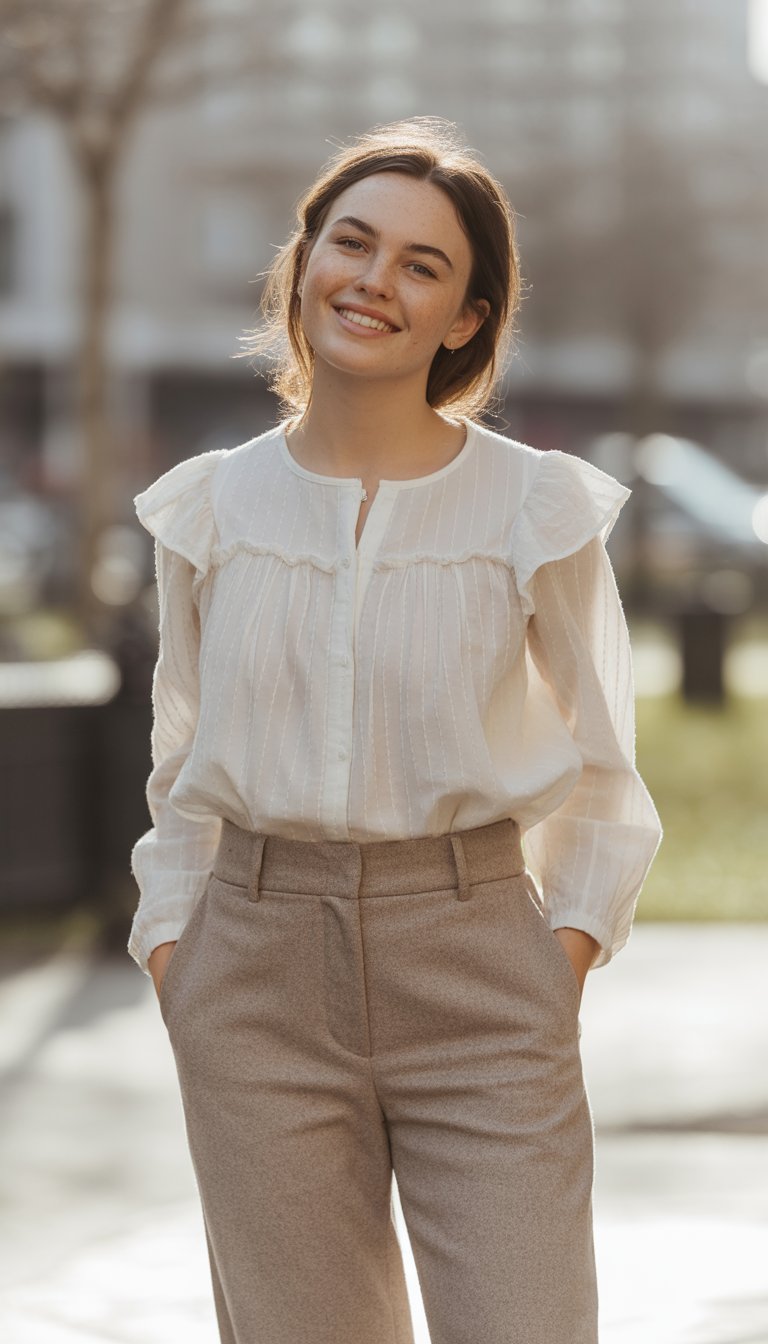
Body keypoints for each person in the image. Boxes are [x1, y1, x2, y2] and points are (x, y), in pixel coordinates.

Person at [128, 116, 662, 1344]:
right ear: (303, 261)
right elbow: (181, 767)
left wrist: (557, 960)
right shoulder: (210, 506)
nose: (373, 280)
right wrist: (180, 958)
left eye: (423, 264)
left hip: (478, 968)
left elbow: (603, 773)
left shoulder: (535, 506)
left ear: (468, 318)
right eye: (351, 243)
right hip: (251, 977)